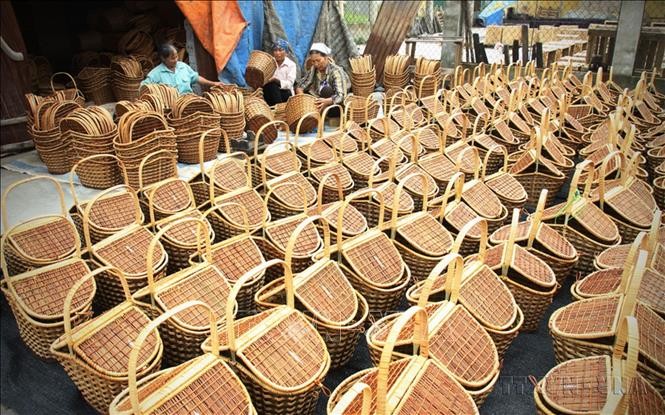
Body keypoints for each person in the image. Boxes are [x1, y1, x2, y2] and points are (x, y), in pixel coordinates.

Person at [141, 43, 222, 94]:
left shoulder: (183, 66)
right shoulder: (156, 73)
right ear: (163, 58)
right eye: (172, 58)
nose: (176, 60)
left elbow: (196, 77)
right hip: (170, 108)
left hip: (189, 102)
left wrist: (213, 83)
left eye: (176, 56)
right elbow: (142, 88)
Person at [295, 43, 350, 116]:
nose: (316, 64)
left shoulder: (336, 71)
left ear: (326, 57)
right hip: (319, 100)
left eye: (318, 60)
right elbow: (300, 86)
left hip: (335, 106)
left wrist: (326, 101)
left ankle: (327, 115)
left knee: (326, 89)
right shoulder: (314, 69)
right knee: (306, 92)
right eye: (313, 61)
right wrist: (302, 99)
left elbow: (340, 96)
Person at [263, 39, 297, 106]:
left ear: (286, 53)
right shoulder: (270, 62)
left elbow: (289, 84)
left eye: (280, 50)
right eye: (275, 50)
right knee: (269, 86)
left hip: (285, 93)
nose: (278, 53)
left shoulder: (291, 65)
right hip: (271, 92)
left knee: (273, 85)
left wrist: (277, 81)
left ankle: (279, 108)